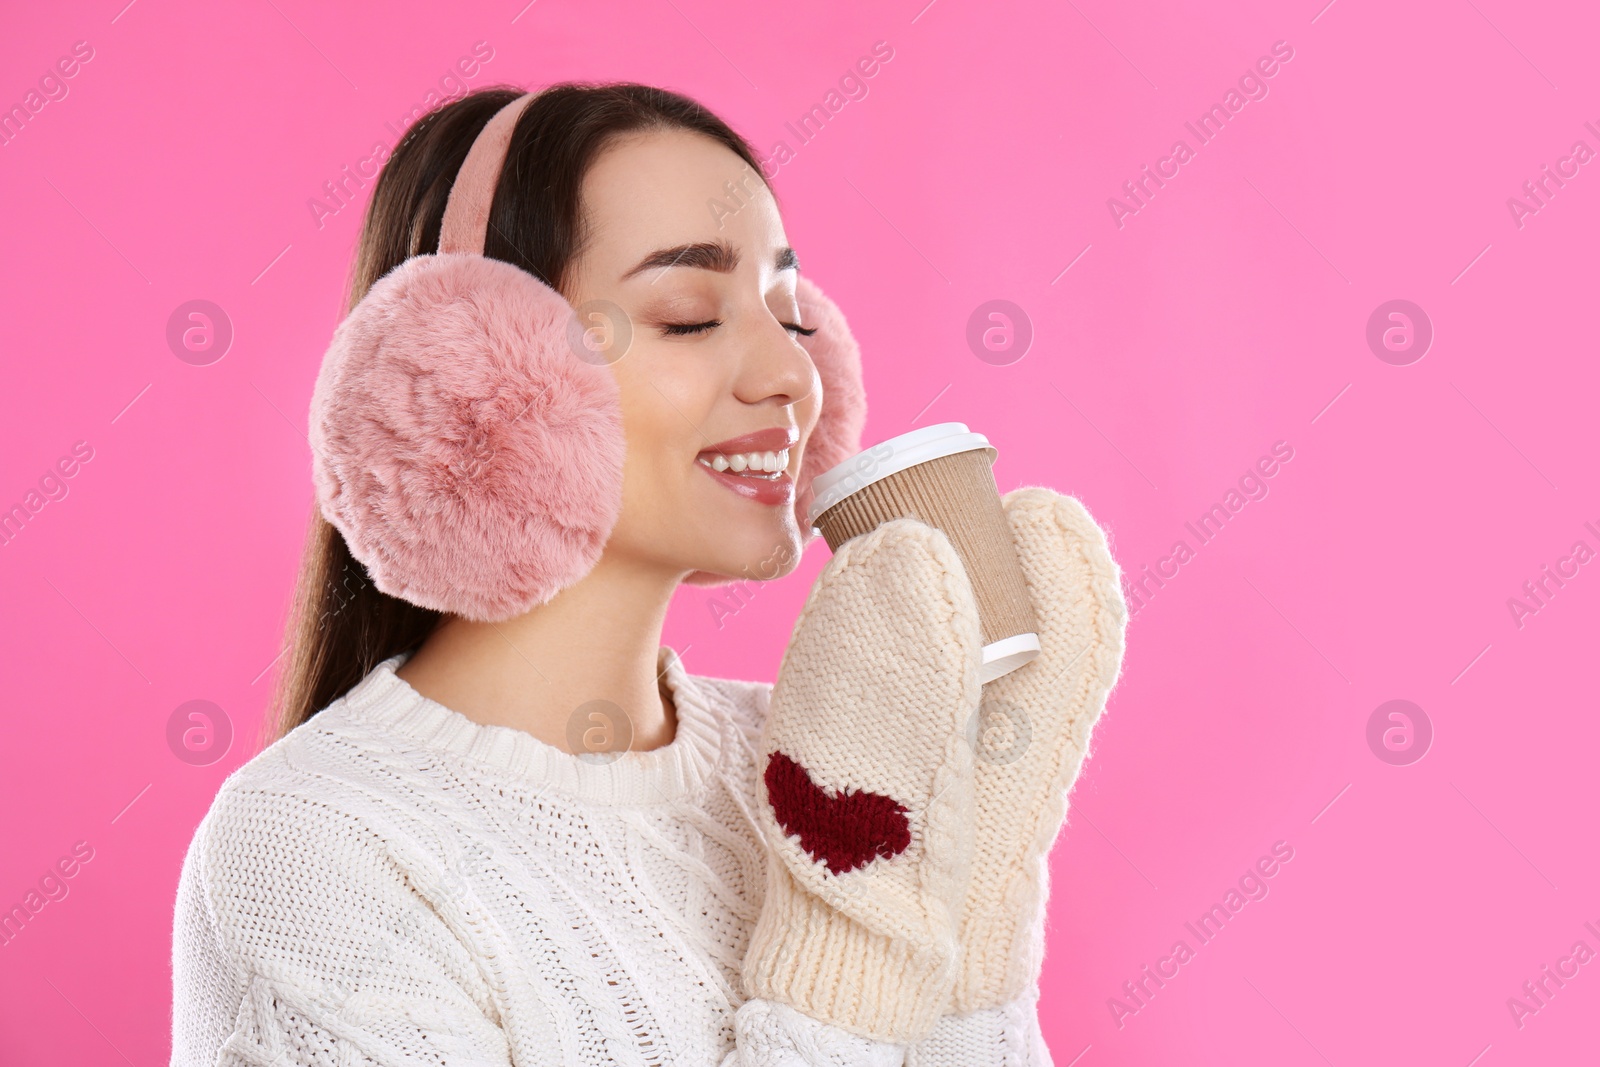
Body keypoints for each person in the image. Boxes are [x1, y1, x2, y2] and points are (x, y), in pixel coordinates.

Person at [169, 82, 1127, 1066]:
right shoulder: (322, 850)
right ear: (476, 383)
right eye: (684, 316)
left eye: (791, 316)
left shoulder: (821, 757)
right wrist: (843, 962)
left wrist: (975, 913)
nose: (794, 375)